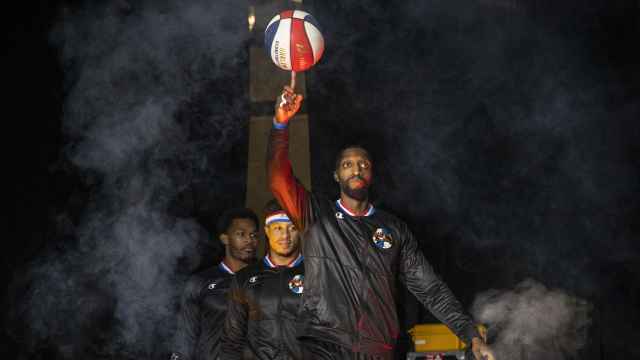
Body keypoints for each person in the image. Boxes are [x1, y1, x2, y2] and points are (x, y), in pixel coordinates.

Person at [267, 87, 493, 359]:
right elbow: (278, 178)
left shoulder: (394, 229)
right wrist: (280, 124)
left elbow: (430, 288)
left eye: (363, 164)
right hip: (324, 343)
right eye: (347, 165)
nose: (356, 169)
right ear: (336, 176)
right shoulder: (316, 215)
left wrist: (469, 334)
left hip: (378, 348)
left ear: (371, 174)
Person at [170, 208, 259, 360]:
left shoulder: (268, 280)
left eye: (253, 235)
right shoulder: (200, 282)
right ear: (225, 238)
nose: (249, 240)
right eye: (241, 234)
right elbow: (185, 339)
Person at [221, 200, 304, 360]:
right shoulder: (243, 278)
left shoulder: (318, 274)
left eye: (292, 228)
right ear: (267, 230)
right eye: (278, 228)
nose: (285, 236)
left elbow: (332, 334)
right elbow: (232, 339)